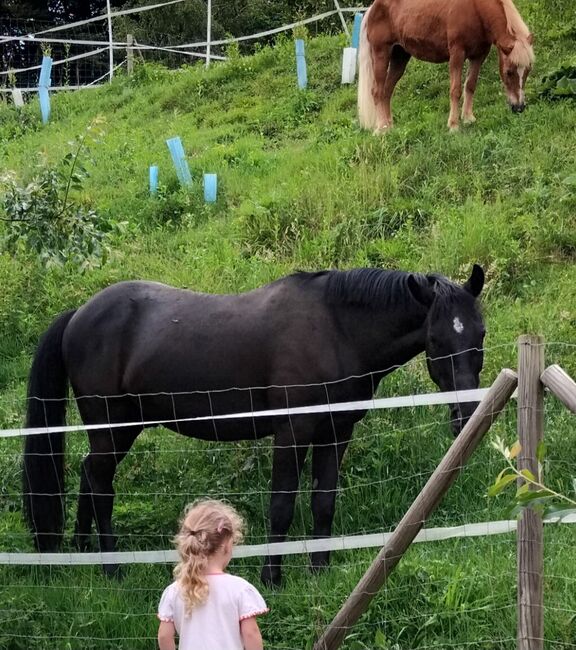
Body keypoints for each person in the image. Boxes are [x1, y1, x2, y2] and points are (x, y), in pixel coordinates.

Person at [157, 499, 268, 650]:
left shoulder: (174, 591)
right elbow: (251, 634)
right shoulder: (240, 589)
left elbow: (164, 636)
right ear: (227, 546)